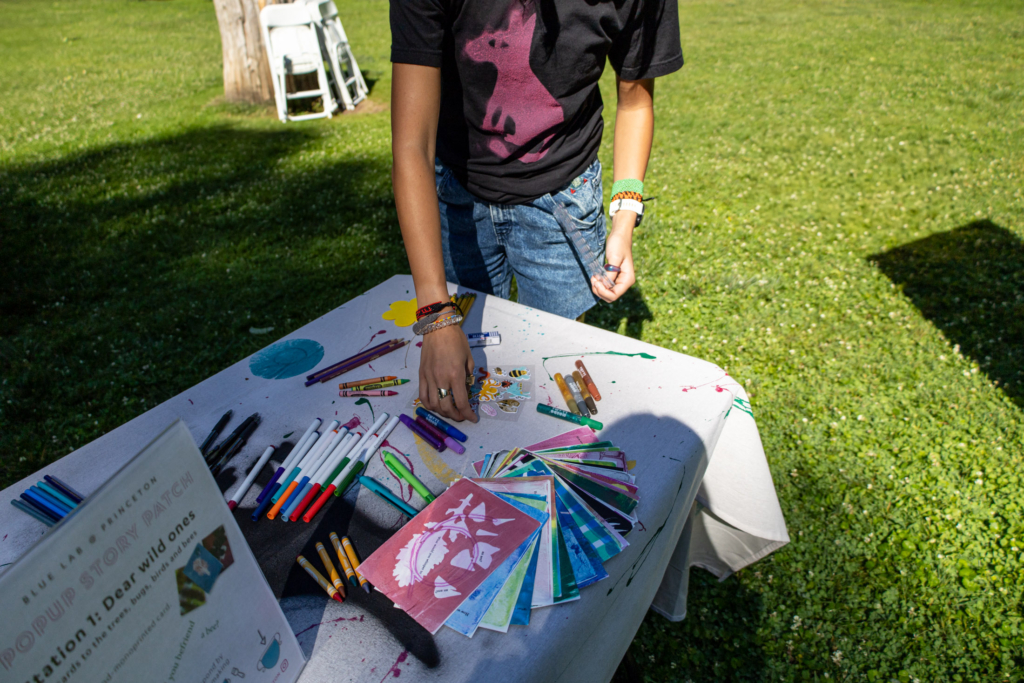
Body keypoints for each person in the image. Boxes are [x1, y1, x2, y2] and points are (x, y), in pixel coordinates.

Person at [391, 0, 682, 422]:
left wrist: (623, 221)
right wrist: (435, 315)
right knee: (464, 381)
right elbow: (411, 143)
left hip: (564, 200)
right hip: (459, 196)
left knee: (555, 385)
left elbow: (635, 101)